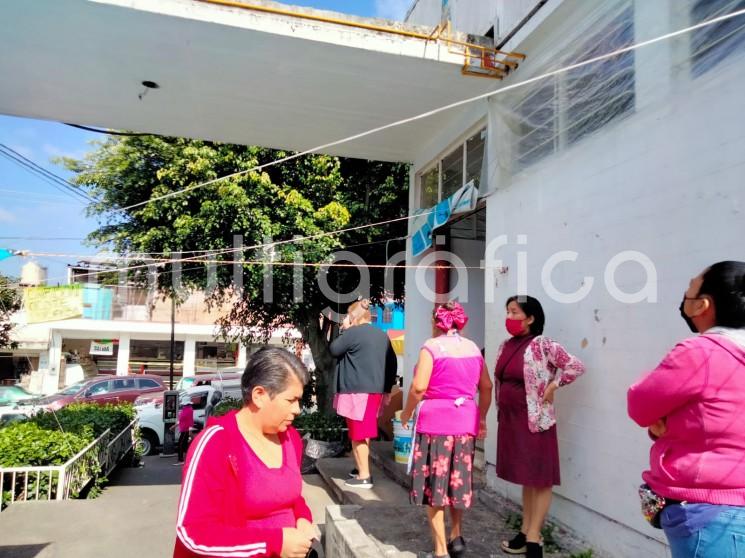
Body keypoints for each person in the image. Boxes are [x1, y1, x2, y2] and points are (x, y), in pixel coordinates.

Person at [627, 261, 745, 557]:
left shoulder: (700, 352)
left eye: (690, 289)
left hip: (711, 509)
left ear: (702, 305)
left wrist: (662, 417)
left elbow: (640, 404)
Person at [174, 347, 318, 558]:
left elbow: (290, 497)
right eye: (290, 400)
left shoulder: (291, 438)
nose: (297, 409)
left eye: (299, 400)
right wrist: (274, 543)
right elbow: (192, 532)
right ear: (259, 395)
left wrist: (303, 518)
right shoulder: (216, 443)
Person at [400, 301, 493, 558]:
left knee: (435, 485)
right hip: (465, 424)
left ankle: (441, 550)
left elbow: (419, 387)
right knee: (457, 481)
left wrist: (407, 413)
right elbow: (486, 387)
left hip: (435, 426)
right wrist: (481, 417)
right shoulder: (473, 348)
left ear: (435, 322)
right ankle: (457, 536)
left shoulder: (432, 347)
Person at [495, 295, 585, 558]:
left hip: (536, 420)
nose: (509, 318)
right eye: (508, 312)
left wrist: (555, 384)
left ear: (530, 318)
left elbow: (575, 366)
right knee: (526, 476)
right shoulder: (505, 345)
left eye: (514, 312)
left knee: (540, 478)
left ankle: (535, 536)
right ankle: (525, 530)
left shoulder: (542, 345)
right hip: (511, 420)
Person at [329, 298, 398, 489]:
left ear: (353, 317)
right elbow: (392, 363)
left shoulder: (353, 333)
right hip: (374, 391)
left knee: (358, 434)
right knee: (362, 432)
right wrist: (387, 389)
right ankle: (360, 468)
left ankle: (365, 476)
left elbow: (334, 349)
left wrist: (345, 329)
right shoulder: (382, 335)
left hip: (357, 391)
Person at [173, 399, 194, 465]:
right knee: (183, 445)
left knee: (181, 445)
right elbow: (181, 420)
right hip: (184, 430)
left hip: (185, 430)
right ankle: (186, 458)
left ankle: (181, 460)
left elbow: (190, 421)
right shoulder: (185, 410)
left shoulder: (188, 410)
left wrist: (190, 431)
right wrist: (174, 426)